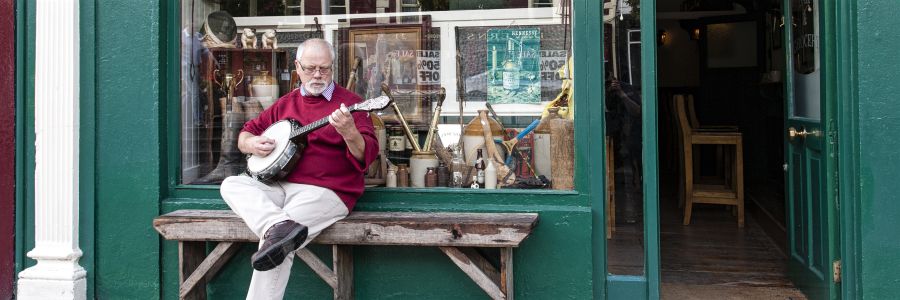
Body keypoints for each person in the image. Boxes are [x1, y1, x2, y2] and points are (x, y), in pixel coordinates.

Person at [219, 38, 378, 299]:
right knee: (232, 184)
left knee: (274, 248)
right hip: (280, 186)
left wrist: (350, 132)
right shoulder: (286, 103)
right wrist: (252, 144)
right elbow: (246, 134)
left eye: (325, 69)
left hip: (327, 192)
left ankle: (278, 231)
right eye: (310, 68)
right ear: (297, 67)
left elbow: (366, 156)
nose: (318, 75)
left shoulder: (351, 104)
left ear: (333, 67)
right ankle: (277, 224)